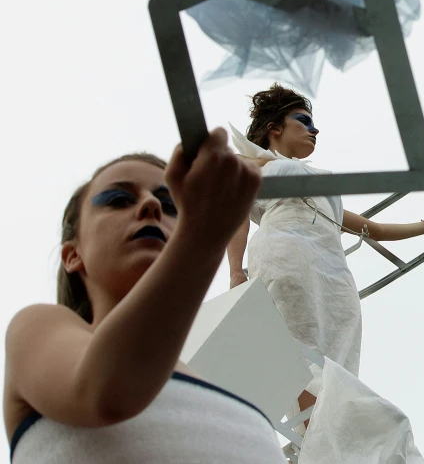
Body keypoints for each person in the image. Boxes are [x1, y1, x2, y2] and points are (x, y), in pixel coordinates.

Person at [3, 130, 286, 463]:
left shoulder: (224, 392)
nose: (151, 205)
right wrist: (201, 234)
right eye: (119, 200)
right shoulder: (36, 328)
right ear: (72, 255)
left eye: (170, 205)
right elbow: (105, 392)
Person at [228, 84, 424, 418]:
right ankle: (309, 439)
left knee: (337, 366)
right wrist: (236, 272)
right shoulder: (251, 163)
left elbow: (370, 228)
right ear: (274, 128)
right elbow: (234, 213)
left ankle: (327, 437)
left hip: (334, 273)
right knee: (301, 354)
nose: (313, 129)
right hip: (287, 253)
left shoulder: (319, 181)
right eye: (302, 120)